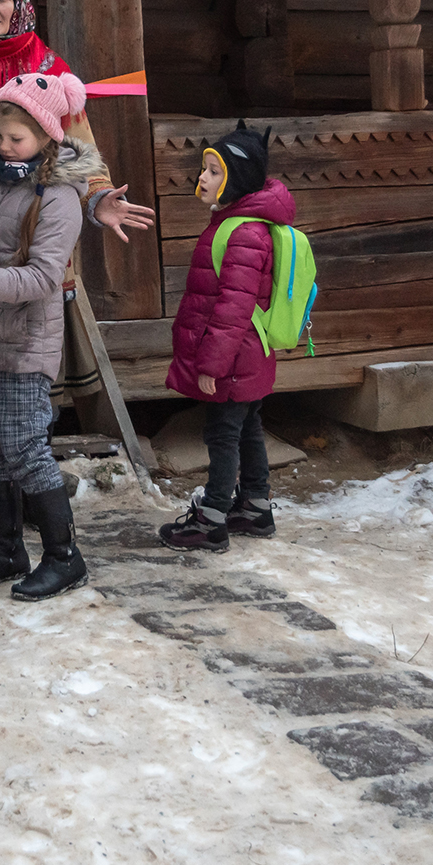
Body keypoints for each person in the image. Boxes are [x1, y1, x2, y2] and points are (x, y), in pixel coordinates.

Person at [0, 0, 154, 532]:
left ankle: (30, 490)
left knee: (26, 370)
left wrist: (97, 200)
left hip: (30, 244)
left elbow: (81, 152)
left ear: (19, 3)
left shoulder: (48, 69)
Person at [0, 71, 98, 600]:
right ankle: (7, 551)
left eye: (16, 138)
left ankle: (64, 556)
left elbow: (42, 278)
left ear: (46, 135)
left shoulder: (58, 197)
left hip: (25, 340)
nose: (4, 146)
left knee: (24, 449)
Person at [158, 123, 293, 552]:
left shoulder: (243, 233)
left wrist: (211, 366)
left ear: (238, 179)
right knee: (247, 426)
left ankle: (212, 518)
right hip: (247, 353)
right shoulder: (235, 224)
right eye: (205, 169)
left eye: (214, 171)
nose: (203, 177)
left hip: (234, 357)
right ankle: (254, 507)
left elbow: (234, 308)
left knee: (222, 433)